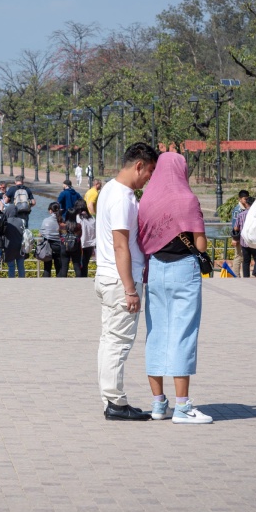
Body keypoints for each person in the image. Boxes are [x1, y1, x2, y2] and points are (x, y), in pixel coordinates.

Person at [138, 152, 212, 424]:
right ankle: (182, 406)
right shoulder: (188, 199)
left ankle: (158, 404)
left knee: (156, 333)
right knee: (183, 334)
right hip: (184, 269)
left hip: (155, 268)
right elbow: (200, 243)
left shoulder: (147, 198)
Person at [95, 142, 159, 420]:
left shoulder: (109, 189)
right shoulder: (122, 197)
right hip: (120, 280)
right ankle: (115, 403)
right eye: (150, 171)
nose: (150, 178)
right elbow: (121, 246)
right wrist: (130, 289)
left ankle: (111, 399)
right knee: (118, 342)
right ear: (138, 165)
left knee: (109, 340)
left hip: (107, 277)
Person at [233, 197, 256, 278]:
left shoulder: (241, 214)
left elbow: (236, 228)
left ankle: (246, 277)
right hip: (255, 241)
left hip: (244, 240)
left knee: (246, 260)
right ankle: (255, 274)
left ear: (246, 204)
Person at [2, 202, 28, 278]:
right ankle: (22, 282)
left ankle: (11, 282)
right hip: (20, 247)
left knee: (11, 267)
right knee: (21, 267)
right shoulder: (22, 221)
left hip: (9, 247)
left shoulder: (6, 221)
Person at [39, 202, 64, 277]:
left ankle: (46, 286)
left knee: (47, 268)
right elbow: (63, 234)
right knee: (59, 268)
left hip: (48, 246)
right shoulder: (62, 220)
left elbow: (40, 233)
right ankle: (59, 286)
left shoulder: (46, 220)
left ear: (50, 211)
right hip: (59, 246)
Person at [76, 203, 96, 277]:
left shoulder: (78, 217)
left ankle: (80, 280)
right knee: (85, 264)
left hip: (81, 244)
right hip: (91, 244)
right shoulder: (92, 218)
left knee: (79, 264)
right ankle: (84, 278)